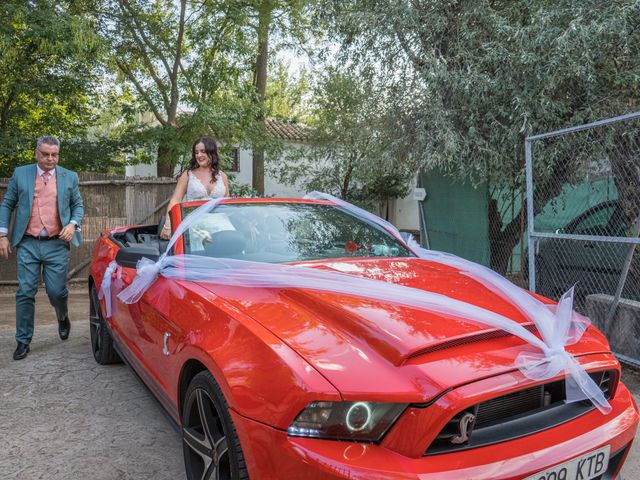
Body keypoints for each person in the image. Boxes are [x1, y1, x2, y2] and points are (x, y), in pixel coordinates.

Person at [0, 135, 84, 360]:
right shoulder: (21, 174)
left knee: (56, 292)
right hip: (27, 242)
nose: (50, 159)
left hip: (57, 243)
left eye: (54, 155)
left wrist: (72, 224)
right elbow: (7, 203)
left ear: (58, 155)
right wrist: (3, 234)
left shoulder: (69, 177)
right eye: (45, 154)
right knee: (25, 292)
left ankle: (62, 316)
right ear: (37, 153)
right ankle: (23, 341)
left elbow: (77, 205)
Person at [160, 136, 229, 240]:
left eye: (203, 151)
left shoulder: (223, 176)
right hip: (196, 225)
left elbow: (227, 203)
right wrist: (168, 224)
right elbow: (175, 200)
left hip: (221, 225)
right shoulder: (188, 175)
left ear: (212, 152)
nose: (199, 155)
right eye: (196, 152)